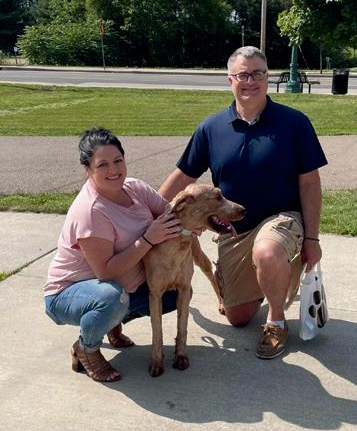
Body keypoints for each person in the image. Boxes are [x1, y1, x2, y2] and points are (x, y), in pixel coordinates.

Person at [159, 46, 328, 359]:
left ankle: (276, 321)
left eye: (258, 74)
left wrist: (312, 239)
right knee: (237, 317)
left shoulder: (294, 123)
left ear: (267, 77)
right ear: (230, 81)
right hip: (234, 227)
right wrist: (151, 212)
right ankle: (270, 274)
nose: (250, 81)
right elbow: (183, 176)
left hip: (282, 218)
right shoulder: (211, 128)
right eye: (243, 75)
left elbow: (310, 183)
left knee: (267, 250)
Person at [44, 127, 183, 382]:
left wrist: (197, 220)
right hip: (67, 293)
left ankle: (111, 324)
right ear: (88, 169)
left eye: (118, 160)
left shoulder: (135, 188)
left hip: (116, 287)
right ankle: (86, 349)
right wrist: (148, 238)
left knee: (173, 295)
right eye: (103, 165)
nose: (114, 170)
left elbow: (171, 215)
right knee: (111, 298)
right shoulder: (91, 210)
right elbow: (105, 272)